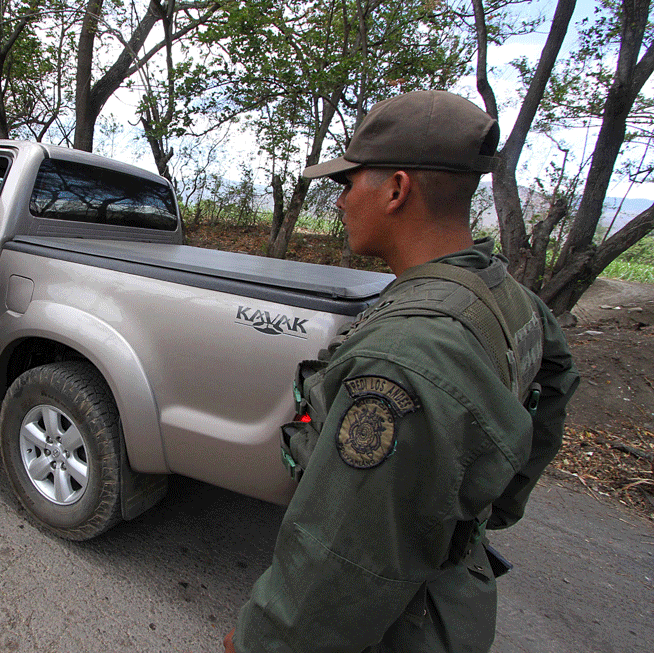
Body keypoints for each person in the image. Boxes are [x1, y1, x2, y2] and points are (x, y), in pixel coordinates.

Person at [225, 91, 579, 652]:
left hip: (399, 625)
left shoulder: (402, 357)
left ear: (396, 189)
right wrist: (481, 510)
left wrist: (260, 643)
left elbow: (341, 556)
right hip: (457, 595)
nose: (340, 202)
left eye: (348, 182)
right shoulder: (506, 298)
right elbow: (554, 389)